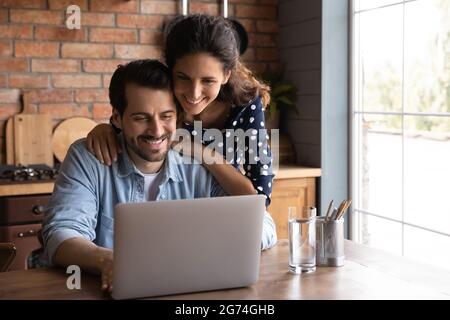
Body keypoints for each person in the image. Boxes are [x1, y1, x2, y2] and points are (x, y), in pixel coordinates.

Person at [41, 60, 277, 293]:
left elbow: (263, 224)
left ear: (178, 117)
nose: (156, 130)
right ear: (116, 118)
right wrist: (107, 260)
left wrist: (221, 246)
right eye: (141, 118)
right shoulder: (87, 158)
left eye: (166, 116)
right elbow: (61, 233)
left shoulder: (196, 164)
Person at [86, 14, 275, 208]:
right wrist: (102, 129)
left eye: (208, 81)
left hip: (224, 211)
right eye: (183, 77)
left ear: (226, 75)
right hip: (169, 207)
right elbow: (124, 126)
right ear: (171, 70)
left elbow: (260, 197)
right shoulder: (165, 95)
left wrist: (199, 151)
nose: (193, 93)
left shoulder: (246, 105)